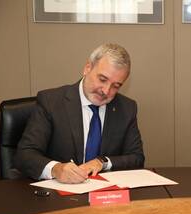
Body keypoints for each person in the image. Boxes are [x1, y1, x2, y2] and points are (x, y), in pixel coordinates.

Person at [15, 43, 144, 183]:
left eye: (116, 86)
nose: (106, 91)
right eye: (102, 79)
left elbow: (136, 158)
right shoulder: (51, 102)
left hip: (104, 196)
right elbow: (25, 154)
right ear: (87, 68)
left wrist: (103, 162)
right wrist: (56, 169)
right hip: (58, 196)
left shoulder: (126, 108)